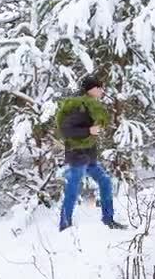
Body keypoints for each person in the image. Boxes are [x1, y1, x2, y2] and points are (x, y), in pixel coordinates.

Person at [55, 76, 127, 231]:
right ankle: (64, 225)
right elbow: (66, 130)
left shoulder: (92, 106)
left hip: (89, 156)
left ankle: (108, 220)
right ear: (91, 89)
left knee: (105, 182)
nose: (102, 90)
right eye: (99, 87)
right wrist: (89, 130)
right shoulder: (80, 108)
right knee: (72, 189)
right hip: (77, 156)